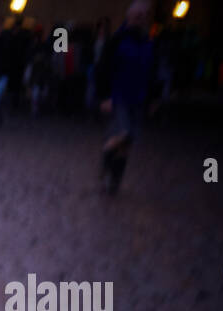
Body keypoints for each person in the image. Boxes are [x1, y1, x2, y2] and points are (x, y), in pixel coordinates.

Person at [97, 1, 156, 195]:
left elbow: (151, 72)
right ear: (129, 16)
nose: (141, 19)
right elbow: (103, 68)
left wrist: (153, 98)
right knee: (124, 133)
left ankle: (114, 181)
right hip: (118, 95)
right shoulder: (117, 40)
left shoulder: (148, 42)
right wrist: (104, 96)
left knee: (127, 144)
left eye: (145, 15)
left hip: (138, 98)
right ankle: (105, 157)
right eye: (138, 15)